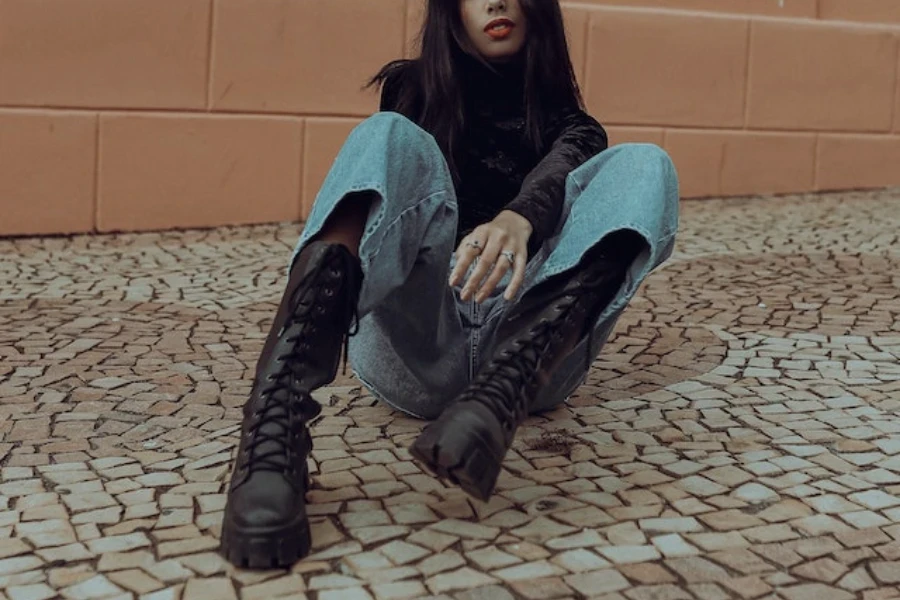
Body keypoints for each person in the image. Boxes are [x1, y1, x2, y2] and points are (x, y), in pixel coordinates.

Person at [219, 0, 679, 569]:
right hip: (420, 345)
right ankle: (274, 429)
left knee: (646, 163)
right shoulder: (413, 93)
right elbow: (400, 176)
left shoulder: (574, 125)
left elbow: (561, 167)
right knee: (388, 135)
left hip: (527, 365)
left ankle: (496, 397)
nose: (495, 2)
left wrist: (519, 218)